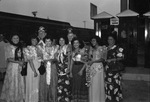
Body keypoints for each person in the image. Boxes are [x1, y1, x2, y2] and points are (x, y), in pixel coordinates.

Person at [0, 34, 25, 102]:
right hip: (12, 67)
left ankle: (18, 97)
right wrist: (18, 62)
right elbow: (8, 58)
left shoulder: (20, 46)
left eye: (17, 38)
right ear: (11, 39)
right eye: (14, 38)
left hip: (19, 67)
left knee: (19, 81)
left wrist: (23, 62)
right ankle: (11, 97)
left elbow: (22, 56)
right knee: (12, 81)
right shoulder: (8, 46)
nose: (16, 39)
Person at [105, 34, 124, 102]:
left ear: (114, 40)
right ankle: (109, 99)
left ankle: (115, 99)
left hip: (115, 70)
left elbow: (121, 57)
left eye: (111, 39)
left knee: (115, 85)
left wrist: (112, 60)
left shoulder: (118, 48)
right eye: (108, 39)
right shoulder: (106, 48)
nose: (109, 41)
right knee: (108, 85)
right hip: (107, 70)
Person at [87, 36, 106, 102]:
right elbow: (90, 58)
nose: (93, 42)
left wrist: (93, 61)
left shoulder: (101, 48)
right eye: (92, 41)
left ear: (97, 41)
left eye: (94, 40)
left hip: (98, 67)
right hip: (92, 66)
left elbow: (103, 59)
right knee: (92, 83)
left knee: (97, 83)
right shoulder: (91, 48)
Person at [70, 38, 88, 102]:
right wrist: (71, 72)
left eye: (77, 43)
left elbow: (86, 62)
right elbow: (72, 62)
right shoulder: (73, 52)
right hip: (74, 68)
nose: (75, 44)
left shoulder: (83, 51)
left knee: (81, 84)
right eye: (74, 43)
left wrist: (81, 70)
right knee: (75, 84)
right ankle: (75, 99)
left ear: (80, 43)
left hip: (81, 68)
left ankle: (82, 100)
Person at [24, 35, 40, 102]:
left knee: (36, 84)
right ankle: (30, 99)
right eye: (33, 40)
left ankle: (35, 99)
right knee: (30, 83)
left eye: (36, 40)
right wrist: (34, 71)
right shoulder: (27, 48)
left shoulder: (38, 48)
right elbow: (30, 61)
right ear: (30, 40)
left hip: (38, 66)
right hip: (31, 68)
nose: (34, 41)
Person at [43, 36, 59, 102]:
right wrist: (44, 61)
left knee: (53, 83)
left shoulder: (55, 48)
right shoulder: (42, 49)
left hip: (53, 67)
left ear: (51, 42)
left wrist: (51, 60)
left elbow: (56, 58)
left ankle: (53, 99)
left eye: (49, 41)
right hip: (44, 67)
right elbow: (39, 58)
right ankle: (45, 99)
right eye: (46, 41)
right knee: (45, 83)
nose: (48, 42)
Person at [57, 36, 71, 102]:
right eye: (60, 40)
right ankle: (60, 99)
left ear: (65, 41)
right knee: (60, 86)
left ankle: (66, 99)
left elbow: (69, 59)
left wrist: (69, 68)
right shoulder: (58, 48)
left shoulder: (67, 48)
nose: (61, 41)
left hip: (65, 69)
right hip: (59, 69)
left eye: (63, 40)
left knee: (66, 85)